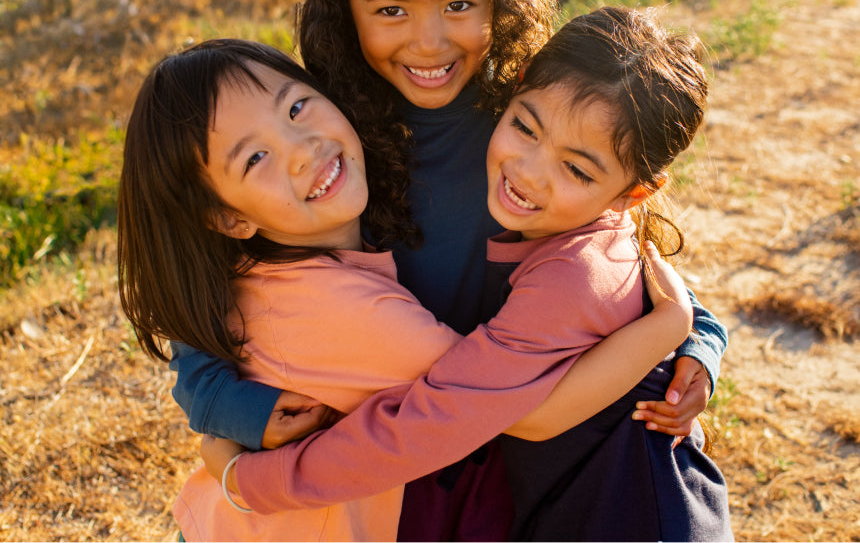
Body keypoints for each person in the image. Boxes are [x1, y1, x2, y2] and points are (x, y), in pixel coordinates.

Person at [169, 0, 728, 539]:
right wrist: (233, 409)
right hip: (410, 461)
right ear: (345, 8)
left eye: (460, 5)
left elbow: (622, 253)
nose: (429, 41)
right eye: (391, 10)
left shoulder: (526, 127)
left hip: (532, 448)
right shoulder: (329, 147)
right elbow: (209, 307)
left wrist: (699, 338)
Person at [117, 38, 694, 542]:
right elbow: (517, 410)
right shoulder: (347, 313)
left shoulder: (266, 267)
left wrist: (701, 339)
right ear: (227, 217)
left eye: (296, 107)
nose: (301, 149)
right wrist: (672, 327)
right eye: (257, 157)